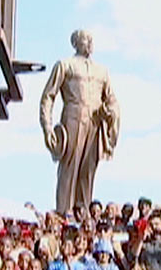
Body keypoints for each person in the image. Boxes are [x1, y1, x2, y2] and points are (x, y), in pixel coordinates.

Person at [39, 29, 120, 214]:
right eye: (85, 39)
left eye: (92, 39)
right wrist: (47, 127)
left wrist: (112, 113)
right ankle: (64, 212)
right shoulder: (65, 65)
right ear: (75, 42)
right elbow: (48, 97)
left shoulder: (102, 71)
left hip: (95, 121)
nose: (90, 42)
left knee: (88, 170)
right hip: (73, 117)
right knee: (69, 167)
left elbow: (112, 99)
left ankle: (83, 213)